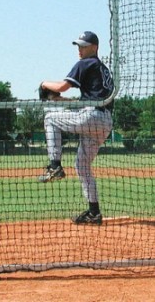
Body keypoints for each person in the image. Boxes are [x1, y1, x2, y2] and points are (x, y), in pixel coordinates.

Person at [38, 31, 114, 225]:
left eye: (84, 45)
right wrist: (60, 100)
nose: (80, 49)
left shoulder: (86, 63)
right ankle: (94, 212)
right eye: (78, 46)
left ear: (94, 47)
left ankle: (54, 166)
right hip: (104, 123)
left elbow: (63, 86)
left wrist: (44, 83)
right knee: (82, 165)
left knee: (50, 119)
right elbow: (83, 100)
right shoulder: (102, 68)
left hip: (92, 116)